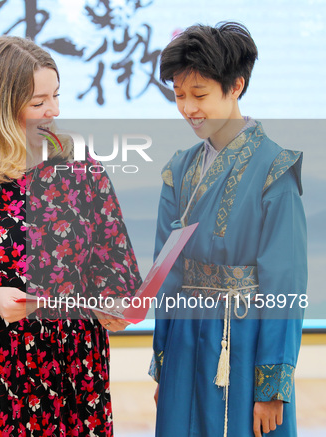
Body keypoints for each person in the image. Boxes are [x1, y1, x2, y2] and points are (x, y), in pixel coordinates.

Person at [0, 35, 141, 436]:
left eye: (55, 96)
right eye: (38, 102)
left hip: (69, 366)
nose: (54, 110)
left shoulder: (80, 167)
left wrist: (113, 300)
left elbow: (112, 255)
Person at [149, 22, 306, 437]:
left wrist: (273, 384)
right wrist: (163, 360)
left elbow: (285, 283)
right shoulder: (179, 169)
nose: (188, 109)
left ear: (235, 86)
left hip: (244, 340)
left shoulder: (275, 168)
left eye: (199, 95)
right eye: (179, 96)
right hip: (184, 340)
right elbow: (166, 274)